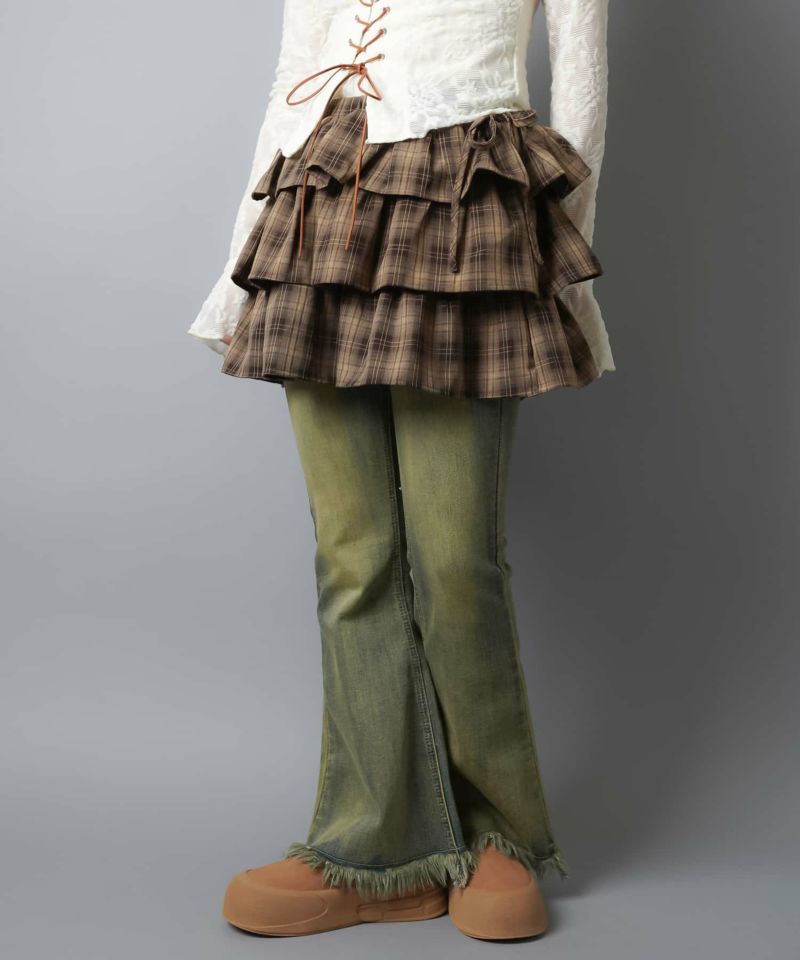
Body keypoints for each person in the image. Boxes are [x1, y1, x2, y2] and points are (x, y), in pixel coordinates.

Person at [188, 0, 613, 941]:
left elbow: (582, 86)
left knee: (457, 560)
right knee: (352, 555)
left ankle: (500, 833)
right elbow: (293, 78)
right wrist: (237, 266)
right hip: (318, 202)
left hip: (468, 200)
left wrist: (559, 254)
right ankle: (374, 848)